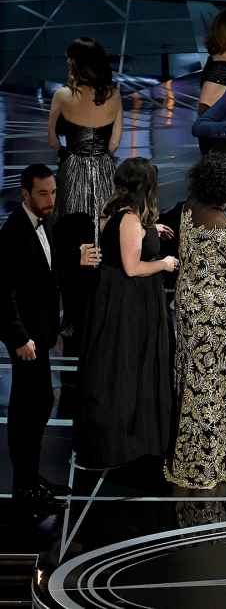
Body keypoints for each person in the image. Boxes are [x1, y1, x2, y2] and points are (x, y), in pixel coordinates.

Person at [1, 165, 98, 514]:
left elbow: (46, 271)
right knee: (28, 410)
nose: (50, 199)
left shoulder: (44, 227)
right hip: (27, 340)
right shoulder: (13, 232)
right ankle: (24, 486)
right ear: (25, 194)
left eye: (53, 192)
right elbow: (4, 293)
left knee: (39, 404)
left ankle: (31, 479)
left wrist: (77, 259)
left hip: (41, 336)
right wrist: (19, 338)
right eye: (43, 193)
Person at [165, 153, 226, 489]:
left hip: (192, 310)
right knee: (223, 382)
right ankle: (218, 460)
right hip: (219, 319)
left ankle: (211, 456)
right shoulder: (223, 223)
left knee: (200, 380)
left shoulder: (190, 208)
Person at [74, 158, 178, 469]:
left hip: (112, 299)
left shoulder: (112, 210)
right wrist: (165, 263)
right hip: (131, 302)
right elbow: (133, 268)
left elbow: (123, 240)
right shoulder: (130, 219)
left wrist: (150, 231)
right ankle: (132, 440)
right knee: (130, 365)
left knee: (115, 365)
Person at [46, 37, 122, 342]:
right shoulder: (115, 95)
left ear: (77, 64)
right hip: (104, 168)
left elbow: (52, 140)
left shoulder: (63, 96)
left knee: (70, 235)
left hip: (74, 169)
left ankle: (73, 316)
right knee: (102, 233)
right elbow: (115, 143)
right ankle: (102, 309)